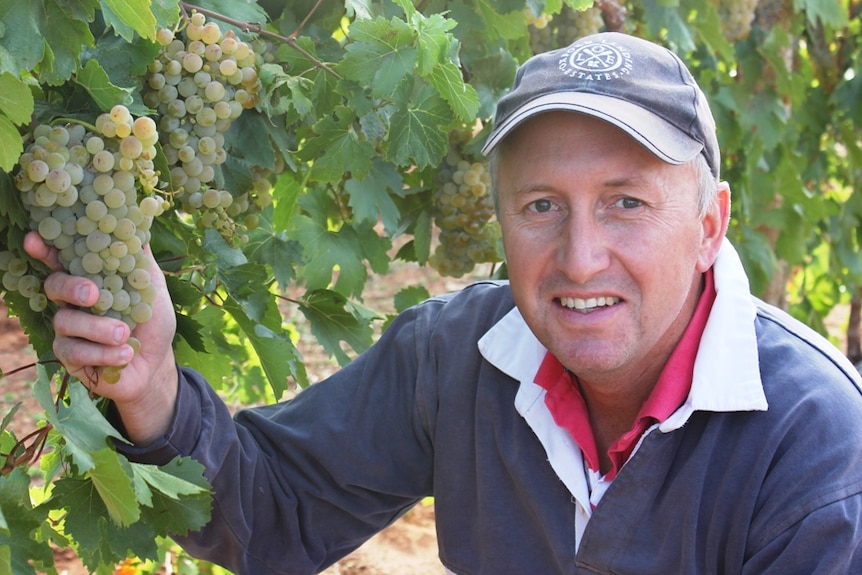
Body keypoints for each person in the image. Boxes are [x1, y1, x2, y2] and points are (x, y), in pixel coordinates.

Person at [25, 32, 862, 574]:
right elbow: (272, 510)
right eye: (541, 206)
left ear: (711, 224)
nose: (579, 257)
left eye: (625, 202)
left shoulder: (817, 443)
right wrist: (152, 386)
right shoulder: (455, 356)